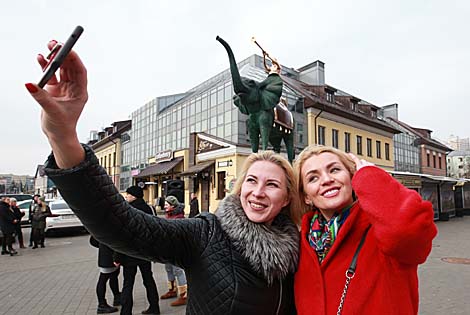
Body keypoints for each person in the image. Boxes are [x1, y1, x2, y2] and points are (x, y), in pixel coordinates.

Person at [292, 145, 438, 315]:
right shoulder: (302, 243)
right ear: (306, 197)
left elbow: (408, 230)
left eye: (335, 170)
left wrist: (370, 177)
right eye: (313, 178)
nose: (326, 179)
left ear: (352, 178)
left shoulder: (378, 229)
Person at [113, 185, 160, 315]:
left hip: (130, 252)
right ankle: (154, 308)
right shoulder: (149, 208)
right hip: (146, 251)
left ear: (133, 196)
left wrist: (117, 257)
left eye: (128, 194)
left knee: (128, 283)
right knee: (148, 279)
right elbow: (156, 229)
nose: (126, 197)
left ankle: (126, 311)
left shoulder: (126, 210)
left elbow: (122, 235)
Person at [160, 195, 187, 307]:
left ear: (173, 205)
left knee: (178, 270)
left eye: (167, 205)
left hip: (176, 249)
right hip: (168, 249)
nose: (165, 206)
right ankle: (172, 289)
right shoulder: (168, 216)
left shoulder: (179, 218)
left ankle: (184, 295)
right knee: (169, 268)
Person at [90, 235, 121, 314]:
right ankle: (102, 304)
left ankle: (117, 297)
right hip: (107, 256)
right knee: (103, 279)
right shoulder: (103, 225)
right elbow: (93, 240)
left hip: (110, 255)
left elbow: (93, 241)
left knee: (114, 276)